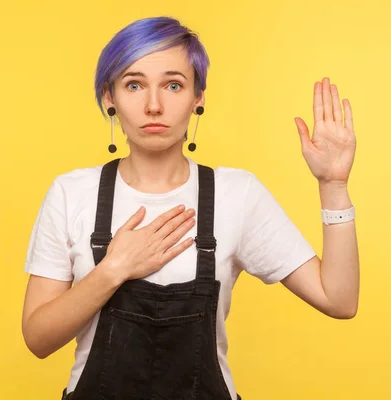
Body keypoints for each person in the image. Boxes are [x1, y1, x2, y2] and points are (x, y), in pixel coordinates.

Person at [21, 16, 359, 400]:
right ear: (109, 97)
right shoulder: (71, 193)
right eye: (134, 85)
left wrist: (333, 186)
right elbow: (38, 339)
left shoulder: (238, 194)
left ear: (198, 96)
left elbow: (339, 300)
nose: (153, 105)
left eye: (173, 85)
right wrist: (112, 271)